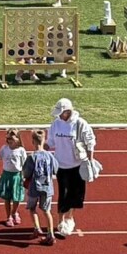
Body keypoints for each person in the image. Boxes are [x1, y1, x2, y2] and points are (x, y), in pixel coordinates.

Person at [48, 97, 96, 237]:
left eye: (61, 113)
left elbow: (90, 141)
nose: (59, 116)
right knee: (63, 193)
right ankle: (60, 220)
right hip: (61, 165)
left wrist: (91, 161)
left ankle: (70, 218)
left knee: (76, 194)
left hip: (77, 165)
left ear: (68, 111)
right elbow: (50, 142)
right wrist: (40, 149)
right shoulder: (55, 124)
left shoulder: (80, 124)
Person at [22, 130, 58, 244]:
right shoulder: (50, 156)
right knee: (47, 210)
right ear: (43, 141)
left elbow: (26, 173)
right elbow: (56, 170)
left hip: (34, 186)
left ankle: (37, 228)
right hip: (47, 187)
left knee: (32, 208)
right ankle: (51, 234)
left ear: (33, 141)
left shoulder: (31, 157)